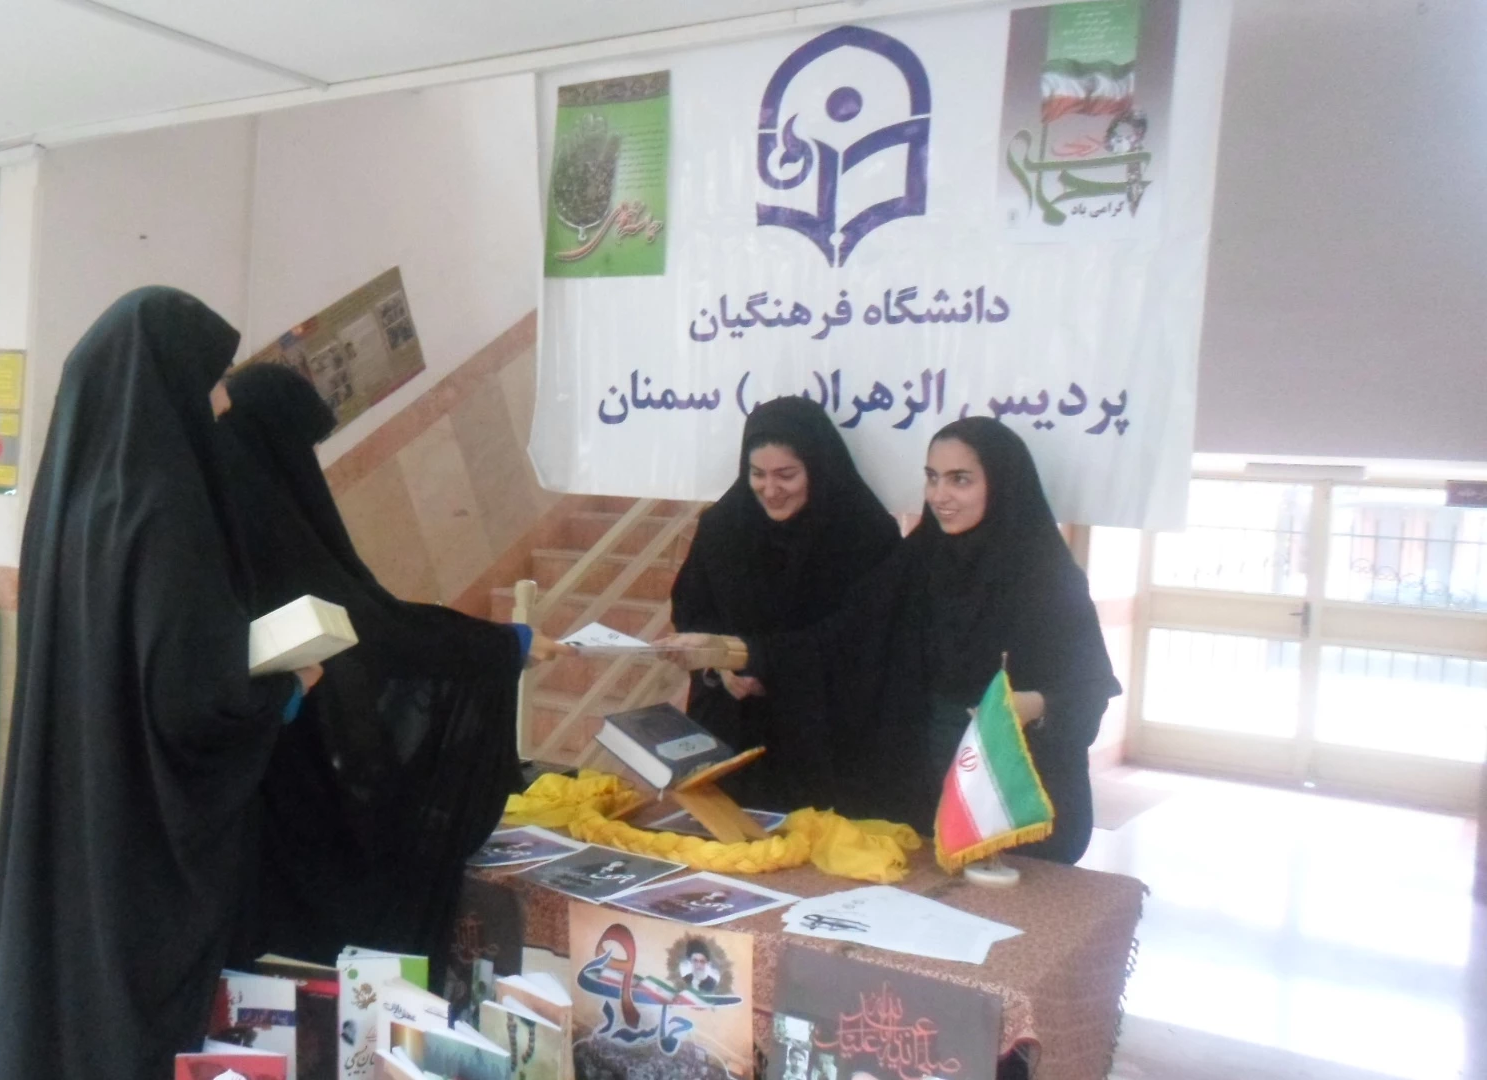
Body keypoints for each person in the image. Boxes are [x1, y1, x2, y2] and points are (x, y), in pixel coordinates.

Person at [0, 288, 324, 1080]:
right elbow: (188, 702)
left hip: (76, 792)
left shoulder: (72, 499)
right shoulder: (165, 508)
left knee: (67, 973)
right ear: (164, 379)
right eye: (211, 378)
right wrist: (285, 689)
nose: (219, 400)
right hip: (137, 815)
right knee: (127, 997)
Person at [217, 362, 570, 970]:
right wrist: (501, 646)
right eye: (303, 448)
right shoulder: (269, 529)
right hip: (284, 800)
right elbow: (375, 634)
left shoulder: (219, 515)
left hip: (245, 802)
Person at [665, 417, 1119, 863]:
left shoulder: (1047, 578)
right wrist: (741, 654)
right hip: (921, 793)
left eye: (960, 480)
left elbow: (1088, 693)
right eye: (932, 478)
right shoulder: (918, 560)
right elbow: (840, 640)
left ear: (1001, 484)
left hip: (1011, 797)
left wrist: (1029, 705)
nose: (940, 495)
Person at [668, 396, 899, 812]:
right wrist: (721, 664)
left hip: (821, 738)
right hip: (733, 728)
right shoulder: (724, 526)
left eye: (786, 475)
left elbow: (859, 636)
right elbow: (693, 608)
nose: (770, 491)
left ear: (818, 468)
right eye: (757, 474)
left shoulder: (865, 535)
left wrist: (761, 660)